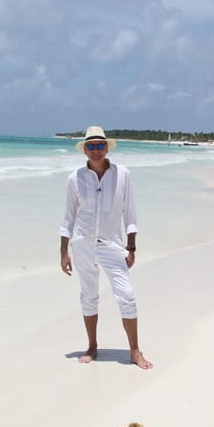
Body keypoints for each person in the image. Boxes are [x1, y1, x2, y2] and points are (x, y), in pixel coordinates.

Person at [59, 126, 153, 370]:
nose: (96, 150)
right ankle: (92, 347)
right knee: (88, 297)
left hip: (112, 246)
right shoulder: (75, 178)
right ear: (85, 150)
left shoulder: (123, 174)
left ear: (107, 147)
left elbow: (130, 213)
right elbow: (68, 218)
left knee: (127, 297)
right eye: (91, 146)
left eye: (100, 145)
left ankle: (135, 351)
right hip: (82, 245)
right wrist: (63, 252)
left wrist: (131, 247)